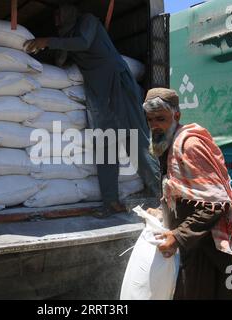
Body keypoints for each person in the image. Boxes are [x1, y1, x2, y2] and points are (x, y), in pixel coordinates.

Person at [24, 5, 160, 216]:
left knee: (135, 140)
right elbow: (61, 60)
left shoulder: (87, 20)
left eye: (59, 12)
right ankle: (111, 201)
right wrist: (49, 50)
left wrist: (48, 41)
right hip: (97, 92)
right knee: (104, 145)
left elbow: (84, 43)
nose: (57, 18)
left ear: (70, 11)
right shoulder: (66, 36)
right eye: (55, 15)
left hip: (117, 82)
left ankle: (159, 196)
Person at [143, 88, 232, 300]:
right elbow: (184, 192)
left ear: (177, 116)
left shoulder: (189, 144)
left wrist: (177, 236)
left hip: (209, 247)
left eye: (160, 119)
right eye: (150, 120)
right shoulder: (168, 144)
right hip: (192, 246)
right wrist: (162, 211)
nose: (155, 125)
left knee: (226, 292)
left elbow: (217, 203)